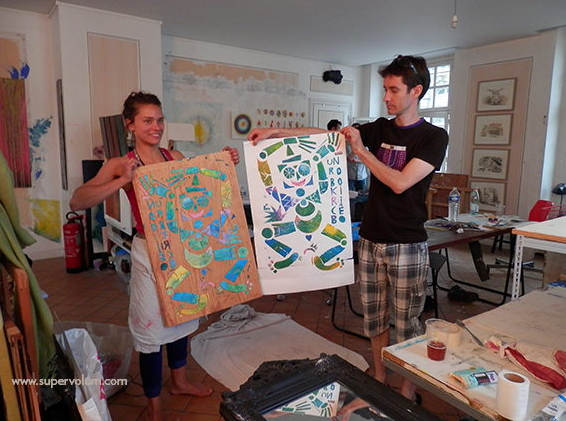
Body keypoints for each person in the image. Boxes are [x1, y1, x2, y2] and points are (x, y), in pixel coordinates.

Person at [247, 55, 448, 408]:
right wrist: (277, 133)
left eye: (393, 90)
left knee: (407, 322)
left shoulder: (433, 136)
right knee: (374, 316)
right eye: (385, 89)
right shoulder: (380, 128)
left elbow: (400, 182)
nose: (386, 97)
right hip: (369, 239)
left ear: (416, 91)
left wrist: (362, 151)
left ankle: (407, 387)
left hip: (407, 243)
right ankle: (380, 375)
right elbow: (326, 139)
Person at [70, 91, 240, 421]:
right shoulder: (121, 163)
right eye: (147, 120)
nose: (156, 126)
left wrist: (223, 163)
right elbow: (78, 201)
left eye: (159, 120)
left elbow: (199, 192)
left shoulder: (173, 156)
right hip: (147, 251)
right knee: (149, 326)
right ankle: (153, 404)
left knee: (183, 314)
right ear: (130, 125)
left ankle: (179, 381)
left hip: (180, 249)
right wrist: (124, 180)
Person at [346, 123, 369, 191]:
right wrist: (355, 146)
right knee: (350, 194)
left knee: (362, 194)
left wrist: (358, 161)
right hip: (350, 175)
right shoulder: (346, 145)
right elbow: (349, 158)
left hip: (362, 175)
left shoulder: (366, 145)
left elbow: (368, 159)